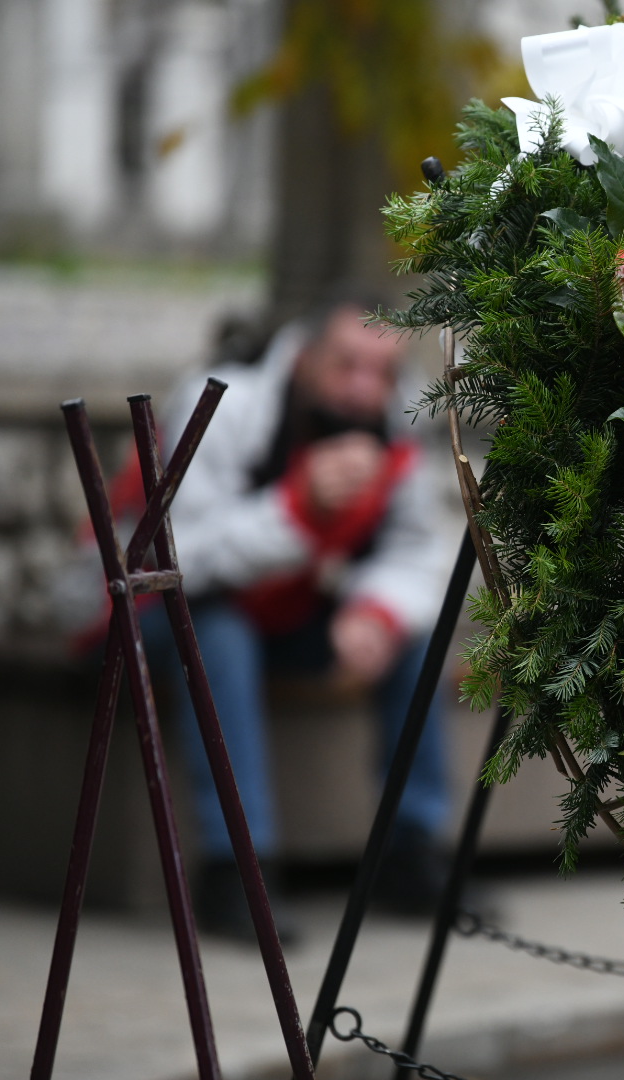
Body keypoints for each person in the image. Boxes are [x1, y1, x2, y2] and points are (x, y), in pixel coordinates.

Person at [156, 297, 457, 940]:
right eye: (346, 365)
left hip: (286, 613)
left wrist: (375, 612)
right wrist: (296, 511)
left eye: (381, 371)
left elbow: (416, 551)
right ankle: (233, 868)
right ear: (303, 357)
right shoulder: (226, 406)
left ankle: (410, 848)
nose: (363, 389)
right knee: (221, 633)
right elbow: (179, 557)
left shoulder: (394, 428)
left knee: (413, 639)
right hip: (153, 616)